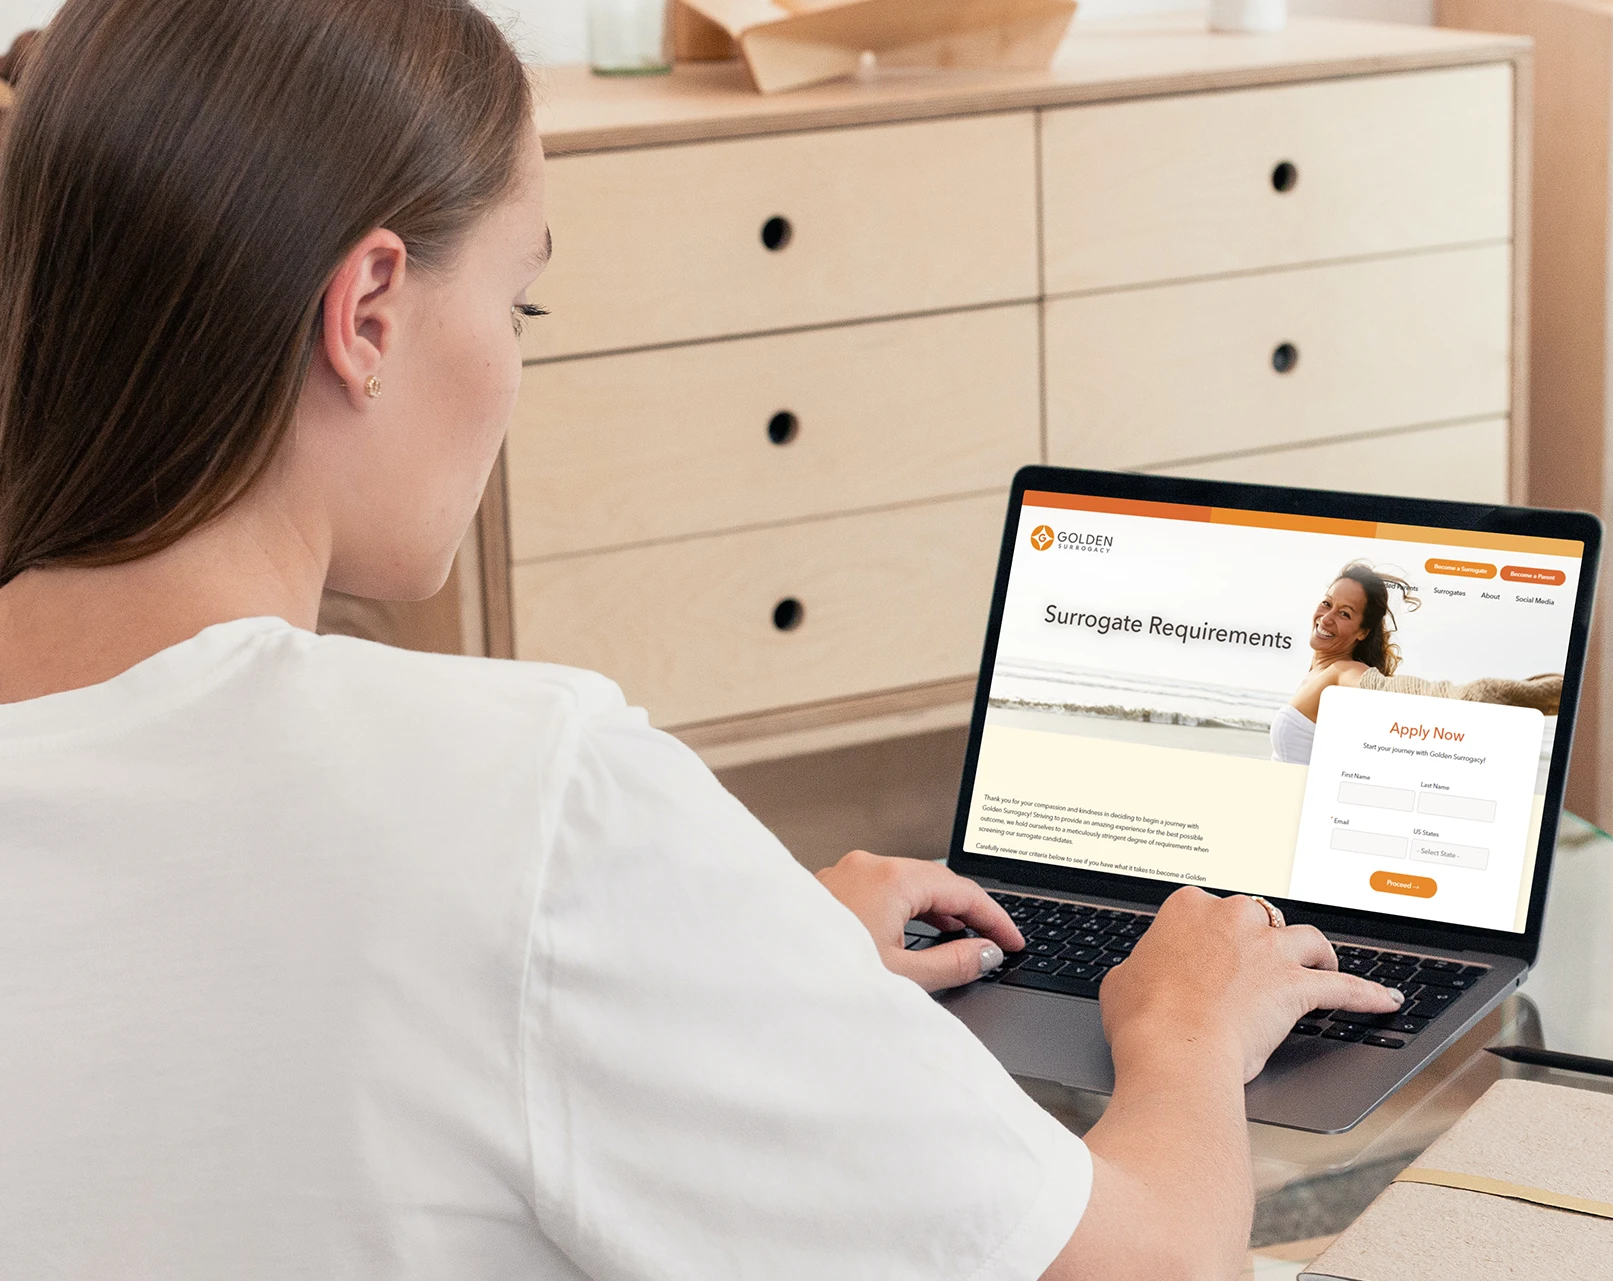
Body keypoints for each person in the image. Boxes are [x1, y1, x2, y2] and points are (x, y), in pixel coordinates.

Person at [0, 2, 1404, 1279]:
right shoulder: (521, 795)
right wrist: (1185, 1038)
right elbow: (1140, 1269)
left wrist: (736, 951)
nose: (514, 363)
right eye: (517, 299)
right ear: (368, 312)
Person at [1270, 562, 1419, 765]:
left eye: (1344, 613)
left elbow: (1376, 686)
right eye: (1327, 603)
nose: (1326, 619)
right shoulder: (1318, 671)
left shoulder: (1344, 670)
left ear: (1363, 632)